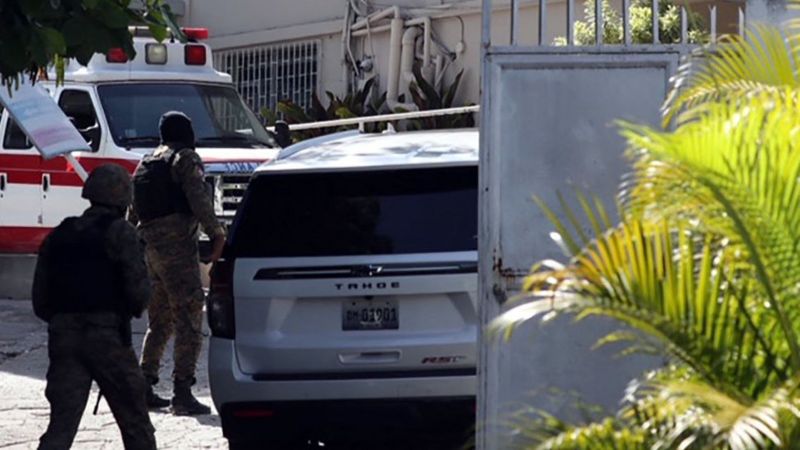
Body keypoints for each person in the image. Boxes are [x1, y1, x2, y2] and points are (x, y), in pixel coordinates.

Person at [33, 164, 156, 450]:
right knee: (136, 425)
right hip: (106, 337)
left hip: (63, 337)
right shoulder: (121, 233)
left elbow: (40, 299)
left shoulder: (61, 233)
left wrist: (64, 321)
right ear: (124, 199)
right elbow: (139, 294)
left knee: (60, 428)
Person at [132, 111, 225, 415]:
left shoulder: (146, 162)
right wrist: (216, 234)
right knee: (187, 318)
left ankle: (145, 384)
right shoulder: (185, 158)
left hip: (150, 250)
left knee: (159, 319)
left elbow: (133, 213)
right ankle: (182, 391)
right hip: (176, 249)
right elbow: (199, 201)